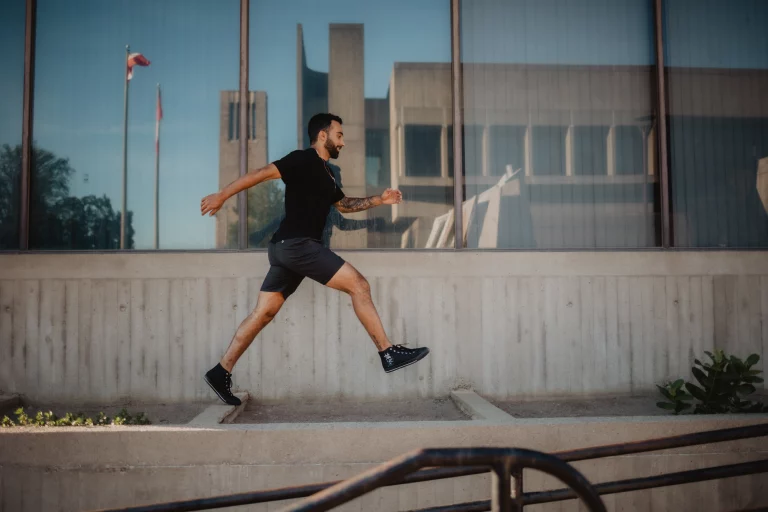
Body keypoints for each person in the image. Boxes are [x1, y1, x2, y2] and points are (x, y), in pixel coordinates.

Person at [200, 113, 430, 405]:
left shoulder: (327, 173)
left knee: (264, 313)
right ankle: (388, 352)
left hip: (287, 249)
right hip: (297, 245)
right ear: (323, 135)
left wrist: (379, 200)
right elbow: (260, 174)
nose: (342, 142)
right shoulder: (302, 160)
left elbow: (344, 205)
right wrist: (222, 195)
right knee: (359, 285)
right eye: (340, 135)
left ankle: (221, 371)